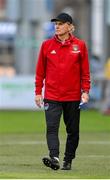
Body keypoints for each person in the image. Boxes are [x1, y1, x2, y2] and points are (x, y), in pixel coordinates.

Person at [35, 12, 90, 170]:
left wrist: (85, 91)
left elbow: (85, 73)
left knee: (73, 131)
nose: (57, 27)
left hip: (72, 97)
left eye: (60, 24)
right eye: (55, 24)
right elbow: (40, 72)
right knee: (52, 128)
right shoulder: (46, 45)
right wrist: (38, 92)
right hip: (51, 96)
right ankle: (54, 158)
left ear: (69, 26)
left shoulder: (80, 46)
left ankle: (68, 159)